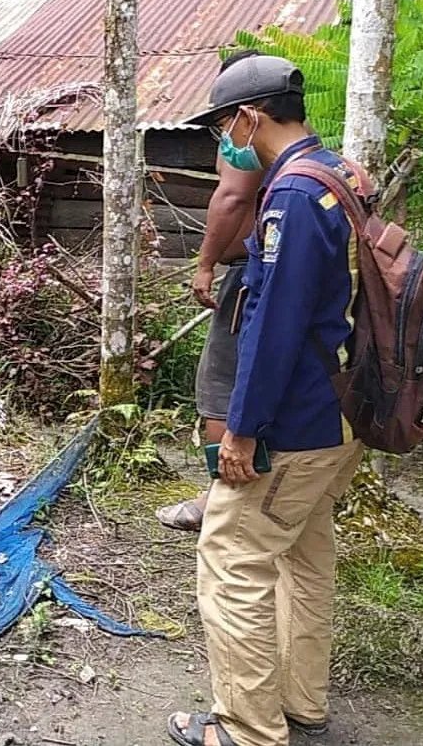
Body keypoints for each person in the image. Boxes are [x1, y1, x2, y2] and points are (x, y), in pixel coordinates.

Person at [166, 55, 365, 746]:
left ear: (250, 117)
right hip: (344, 410)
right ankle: (300, 700)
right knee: (306, 556)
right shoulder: (339, 174)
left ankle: (248, 729)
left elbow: (273, 324)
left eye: (225, 125)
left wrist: (243, 431)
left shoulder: (292, 198)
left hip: (299, 421)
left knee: (233, 558)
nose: (226, 141)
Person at [156, 49, 265, 533]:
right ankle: (243, 496)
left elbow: (233, 195)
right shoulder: (298, 150)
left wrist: (203, 264)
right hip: (263, 271)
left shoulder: (246, 137)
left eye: (223, 116)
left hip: (246, 274)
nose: (221, 129)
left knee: (220, 389)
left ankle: (218, 502)